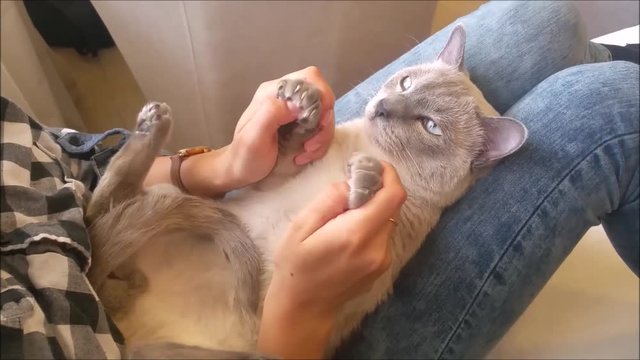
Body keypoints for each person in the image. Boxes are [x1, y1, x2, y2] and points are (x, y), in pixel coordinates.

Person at [1, 1, 637, 359]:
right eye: (405, 86)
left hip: (152, 232)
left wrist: (216, 165)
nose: (389, 104)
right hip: (254, 336)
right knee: (613, 109)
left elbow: (56, 161)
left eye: (412, 87)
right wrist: (300, 315)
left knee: (541, 18)